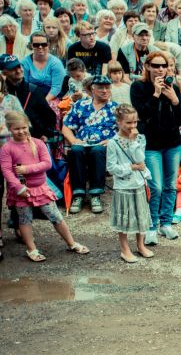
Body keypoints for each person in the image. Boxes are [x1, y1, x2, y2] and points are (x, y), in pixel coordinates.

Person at [1, 111, 89, 261]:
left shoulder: (38, 143)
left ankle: (71, 243)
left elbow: (47, 164)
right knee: (24, 219)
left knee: (56, 216)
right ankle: (32, 249)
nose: (21, 131)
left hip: (41, 188)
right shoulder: (7, 148)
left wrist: (27, 169)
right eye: (16, 129)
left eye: (23, 127)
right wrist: (19, 188)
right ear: (9, 129)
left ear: (28, 126)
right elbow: (7, 171)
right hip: (21, 191)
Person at [130, 50, 181, 246]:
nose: (160, 69)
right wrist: (155, 94)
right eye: (156, 66)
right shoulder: (138, 87)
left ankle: (166, 223)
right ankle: (152, 226)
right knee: (156, 186)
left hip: (173, 143)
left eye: (164, 65)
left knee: (170, 185)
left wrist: (175, 100)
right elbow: (141, 116)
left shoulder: (173, 86)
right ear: (147, 66)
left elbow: (179, 118)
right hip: (151, 143)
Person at [62, 74, 118, 214]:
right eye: (101, 88)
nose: (105, 91)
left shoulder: (115, 108)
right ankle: (78, 194)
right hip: (82, 143)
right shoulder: (81, 105)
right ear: (93, 89)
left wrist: (112, 140)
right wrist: (74, 140)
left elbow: (125, 129)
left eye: (107, 87)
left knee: (97, 151)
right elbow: (66, 126)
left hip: (104, 145)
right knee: (75, 150)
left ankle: (95, 194)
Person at [106, 103, 155, 263]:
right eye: (128, 123)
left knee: (141, 215)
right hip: (124, 186)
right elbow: (111, 167)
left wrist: (134, 143)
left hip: (139, 183)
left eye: (135, 122)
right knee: (125, 218)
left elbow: (141, 159)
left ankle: (140, 246)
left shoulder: (140, 138)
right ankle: (124, 249)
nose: (133, 126)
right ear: (118, 122)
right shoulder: (113, 142)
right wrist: (131, 167)